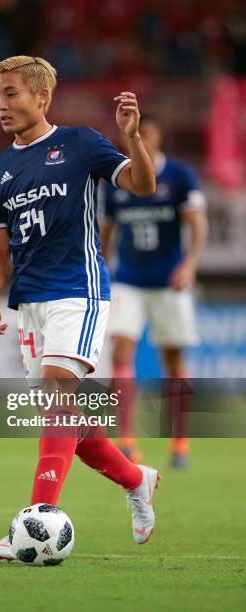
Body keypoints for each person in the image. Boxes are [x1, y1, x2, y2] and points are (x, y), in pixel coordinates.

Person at [0, 55, 160, 561]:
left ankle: (36, 522)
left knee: (58, 390)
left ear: (42, 97)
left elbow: (143, 186)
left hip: (79, 291)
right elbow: (0, 249)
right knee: (66, 421)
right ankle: (136, 479)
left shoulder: (79, 144)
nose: (1, 104)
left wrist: (133, 138)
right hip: (30, 305)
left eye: (11, 93)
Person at [100, 114, 208, 468]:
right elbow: (107, 231)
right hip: (128, 279)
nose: (139, 140)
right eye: (134, 135)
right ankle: (127, 441)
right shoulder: (118, 180)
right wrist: (101, 270)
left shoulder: (178, 175)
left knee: (173, 359)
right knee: (121, 347)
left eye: (145, 133)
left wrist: (189, 265)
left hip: (168, 281)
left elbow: (197, 225)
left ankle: (179, 443)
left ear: (158, 136)